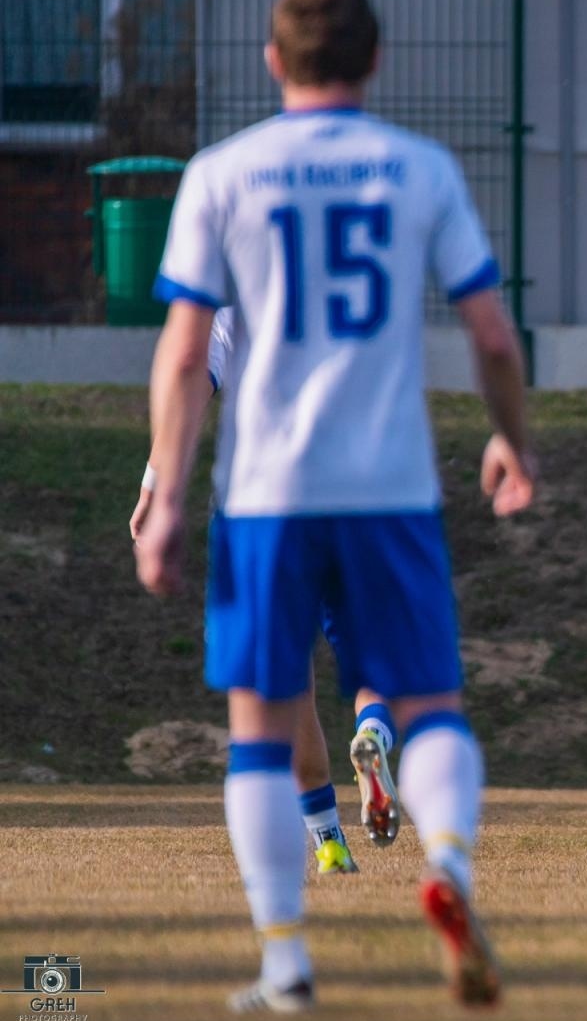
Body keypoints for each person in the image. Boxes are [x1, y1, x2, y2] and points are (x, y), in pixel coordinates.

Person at [135, 0, 536, 1012]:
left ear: (274, 62)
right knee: (430, 702)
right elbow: (493, 332)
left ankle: (285, 963)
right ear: (376, 60)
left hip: (264, 494)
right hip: (388, 487)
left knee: (261, 723)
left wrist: (164, 487)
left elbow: (185, 356)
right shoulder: (418, 168)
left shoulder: (223, 175)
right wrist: (510, 440)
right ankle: (445, 866)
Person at [129, 307, 404, 876]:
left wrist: (155, 486)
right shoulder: (351, 299)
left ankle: (328, 844)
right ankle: (373, 734)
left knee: (287, 689)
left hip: (256, 508)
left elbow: (188, 384)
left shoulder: (231, 314)